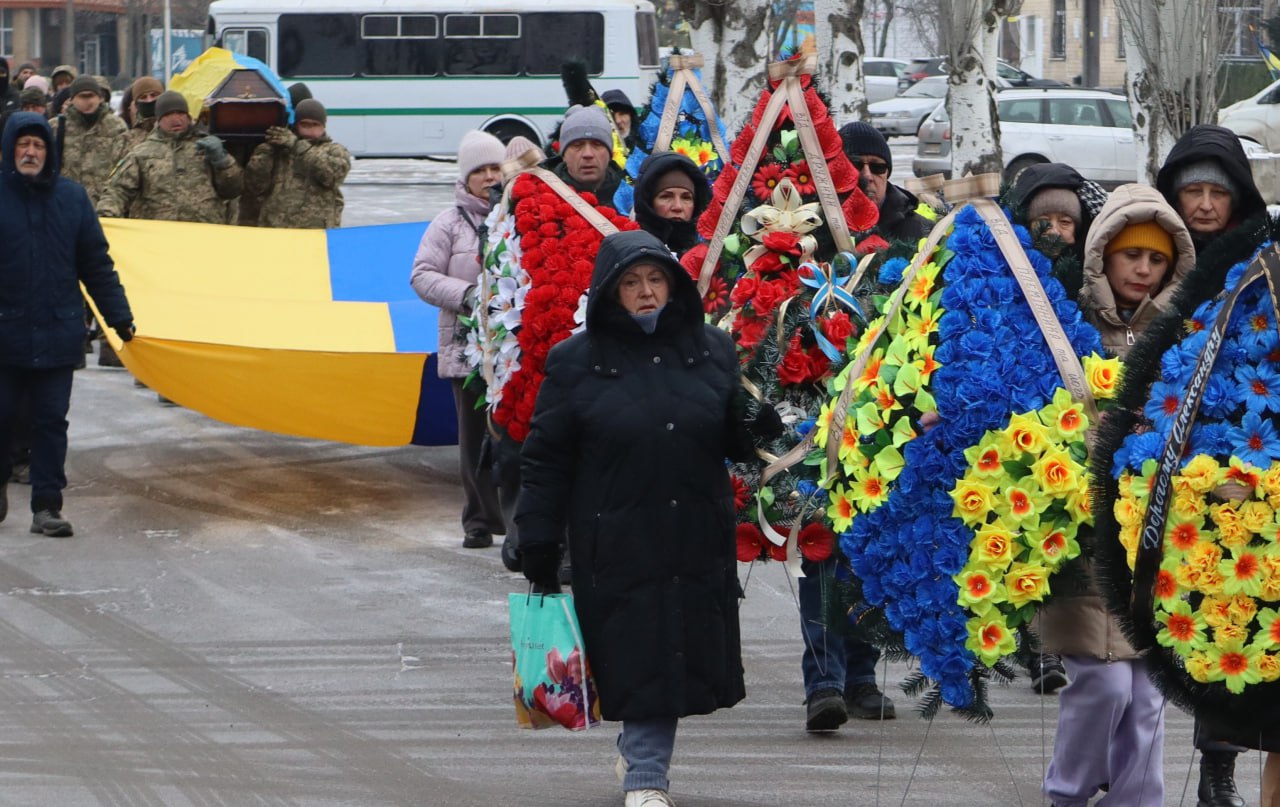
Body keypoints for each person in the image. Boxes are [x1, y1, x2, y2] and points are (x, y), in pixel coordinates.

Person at [518, 229, 752, 807]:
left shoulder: (712, 350)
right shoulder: (576, 363)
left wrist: (756, 426)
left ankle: (643, 759)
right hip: (617, 538)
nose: (646, 293)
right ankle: (646, 778)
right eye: (631, 283)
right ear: (608, 293)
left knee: (671, 652)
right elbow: (545, 458)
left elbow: (730, 436)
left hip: (695, 534)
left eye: (656, 280)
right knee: (640, 651)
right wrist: (538, 538)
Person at [1040, 183, 1195, 807]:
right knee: (1104, 689)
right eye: (1130, 254)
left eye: (1156, 259)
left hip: (1152, 543)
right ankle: (1068, 794)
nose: (1142, 268)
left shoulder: (1181, 338)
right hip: (1079, 542)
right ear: (1101, 255)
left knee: (1148, 694)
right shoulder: (1063, 326)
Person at [1156, 123, 1270, 807]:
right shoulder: (1151, 253)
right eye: (1190, 191)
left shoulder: (1262, 260)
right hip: (1161, 455)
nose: (1202, 205)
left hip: (1245, 453)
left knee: (1226, 607)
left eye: (1214, 192)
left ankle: (1219, 766)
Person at [0, 112, 134, 537]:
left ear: (50, 152)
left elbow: (96, 264)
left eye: (38, 146)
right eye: (23, 145)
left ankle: (47, 507)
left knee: (50, 421)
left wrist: (119, 317)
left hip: (58, 333)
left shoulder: (72, 199)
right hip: (4, 333)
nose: (30, 152)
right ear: (9, 149)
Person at [410, 130, 507, 550]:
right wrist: (467, 295)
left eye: (494, 169)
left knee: (511, 432)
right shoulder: (447, 223)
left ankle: (514, 513)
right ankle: (478, 519)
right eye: (479, 171)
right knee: (472, 434)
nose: (488, 178)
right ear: (464, 178)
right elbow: (422, 275)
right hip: (465, 348)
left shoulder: (517, 215)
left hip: (511, 347)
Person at [97, 91, 243, 224]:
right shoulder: (142, 153)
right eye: (168, 115)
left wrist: (223, 162)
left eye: (180, 113)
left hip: (203, 235)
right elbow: (117, 190)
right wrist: (105, 218)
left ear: (188, 116)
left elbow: (233, 190)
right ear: (158, 120)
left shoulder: (207, 147)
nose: (175, 119)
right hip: (157, 237)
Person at [1156, 124, 1267, 254]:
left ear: (1236, 202)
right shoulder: (1151, 254)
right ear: (1175, 198)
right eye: (1194, 191)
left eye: (1218, 193)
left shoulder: (1263, 259)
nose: (1206, 206)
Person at [244, 98, 351, 229]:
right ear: (296, 125)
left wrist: (297, 146)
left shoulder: (334, 150)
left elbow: (330, 176)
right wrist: (267, 151)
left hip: (316, 232)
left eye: (315, 125)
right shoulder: (279, 149)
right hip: (276, 228)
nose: (310, 131)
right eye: (304, 125)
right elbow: (255, 186)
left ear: (323, 127)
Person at [838, 121, 929, 244]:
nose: (867, 176)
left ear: (887, 173)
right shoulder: (810, 227)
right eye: (855, 165)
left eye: (877, 167)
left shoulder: (923, 233)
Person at [59, 74, 128, 205]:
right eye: (82, 97)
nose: (88, 102)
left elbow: (124, 173)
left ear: (100, 98)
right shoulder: (57, 128)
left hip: (106, 209)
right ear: (72, 99)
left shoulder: (116, 127)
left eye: (91, 96)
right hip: (66, 206)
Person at [632, 151, 709, 254]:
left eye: (686, 198)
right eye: (666, 196)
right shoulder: (631, 252)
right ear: (648, 203)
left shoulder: (708, 258)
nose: (677, 207)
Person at [550, 104, 625, 208]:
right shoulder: (541, 200)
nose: (588, 154)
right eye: (577, 145)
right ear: (563, 154)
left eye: (597, 144)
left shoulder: (630, 199)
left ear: (610, 153)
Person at [123, 76, 163, 151]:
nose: (149, 100)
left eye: (153, 95)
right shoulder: (128, 138)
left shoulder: (172, 128)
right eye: (143, 97)